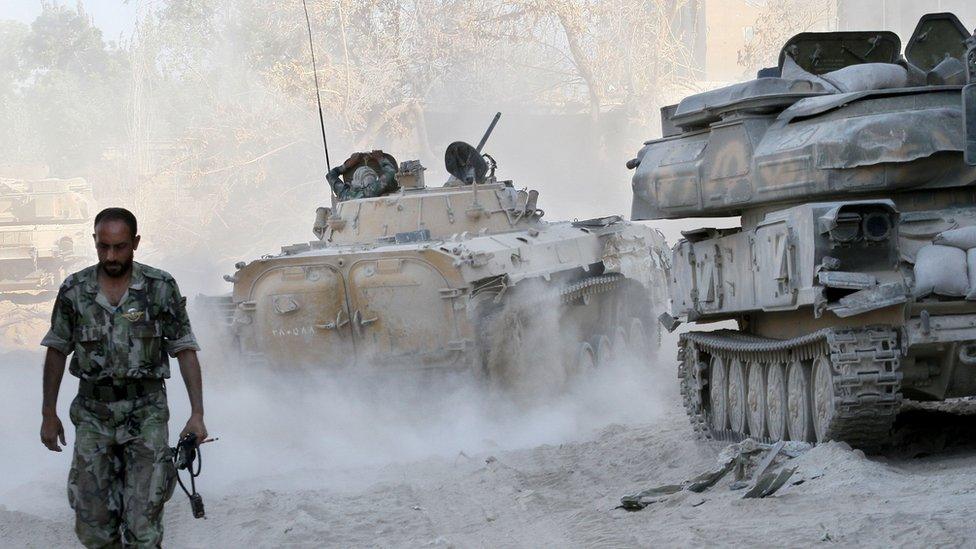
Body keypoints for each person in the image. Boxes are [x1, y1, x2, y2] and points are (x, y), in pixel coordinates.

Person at [39, 207, 208, 548]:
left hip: (146, 412)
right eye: (103, 247)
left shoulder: (159, 287)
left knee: (143, 523)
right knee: (93, 525)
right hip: (92, 413)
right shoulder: (75, 290)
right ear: (95, 243)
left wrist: (197, 413)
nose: (111, 255)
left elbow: (184, 349)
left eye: (119, 247)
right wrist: (48, 413)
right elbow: (57, 350)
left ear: (135, 243)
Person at [326, 150, 399, 201]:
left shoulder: (344, 194)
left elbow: (330, 175)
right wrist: (380, 158)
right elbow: (391, 172)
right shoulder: (373, 190)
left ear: (354, 180)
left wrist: (347, 165)